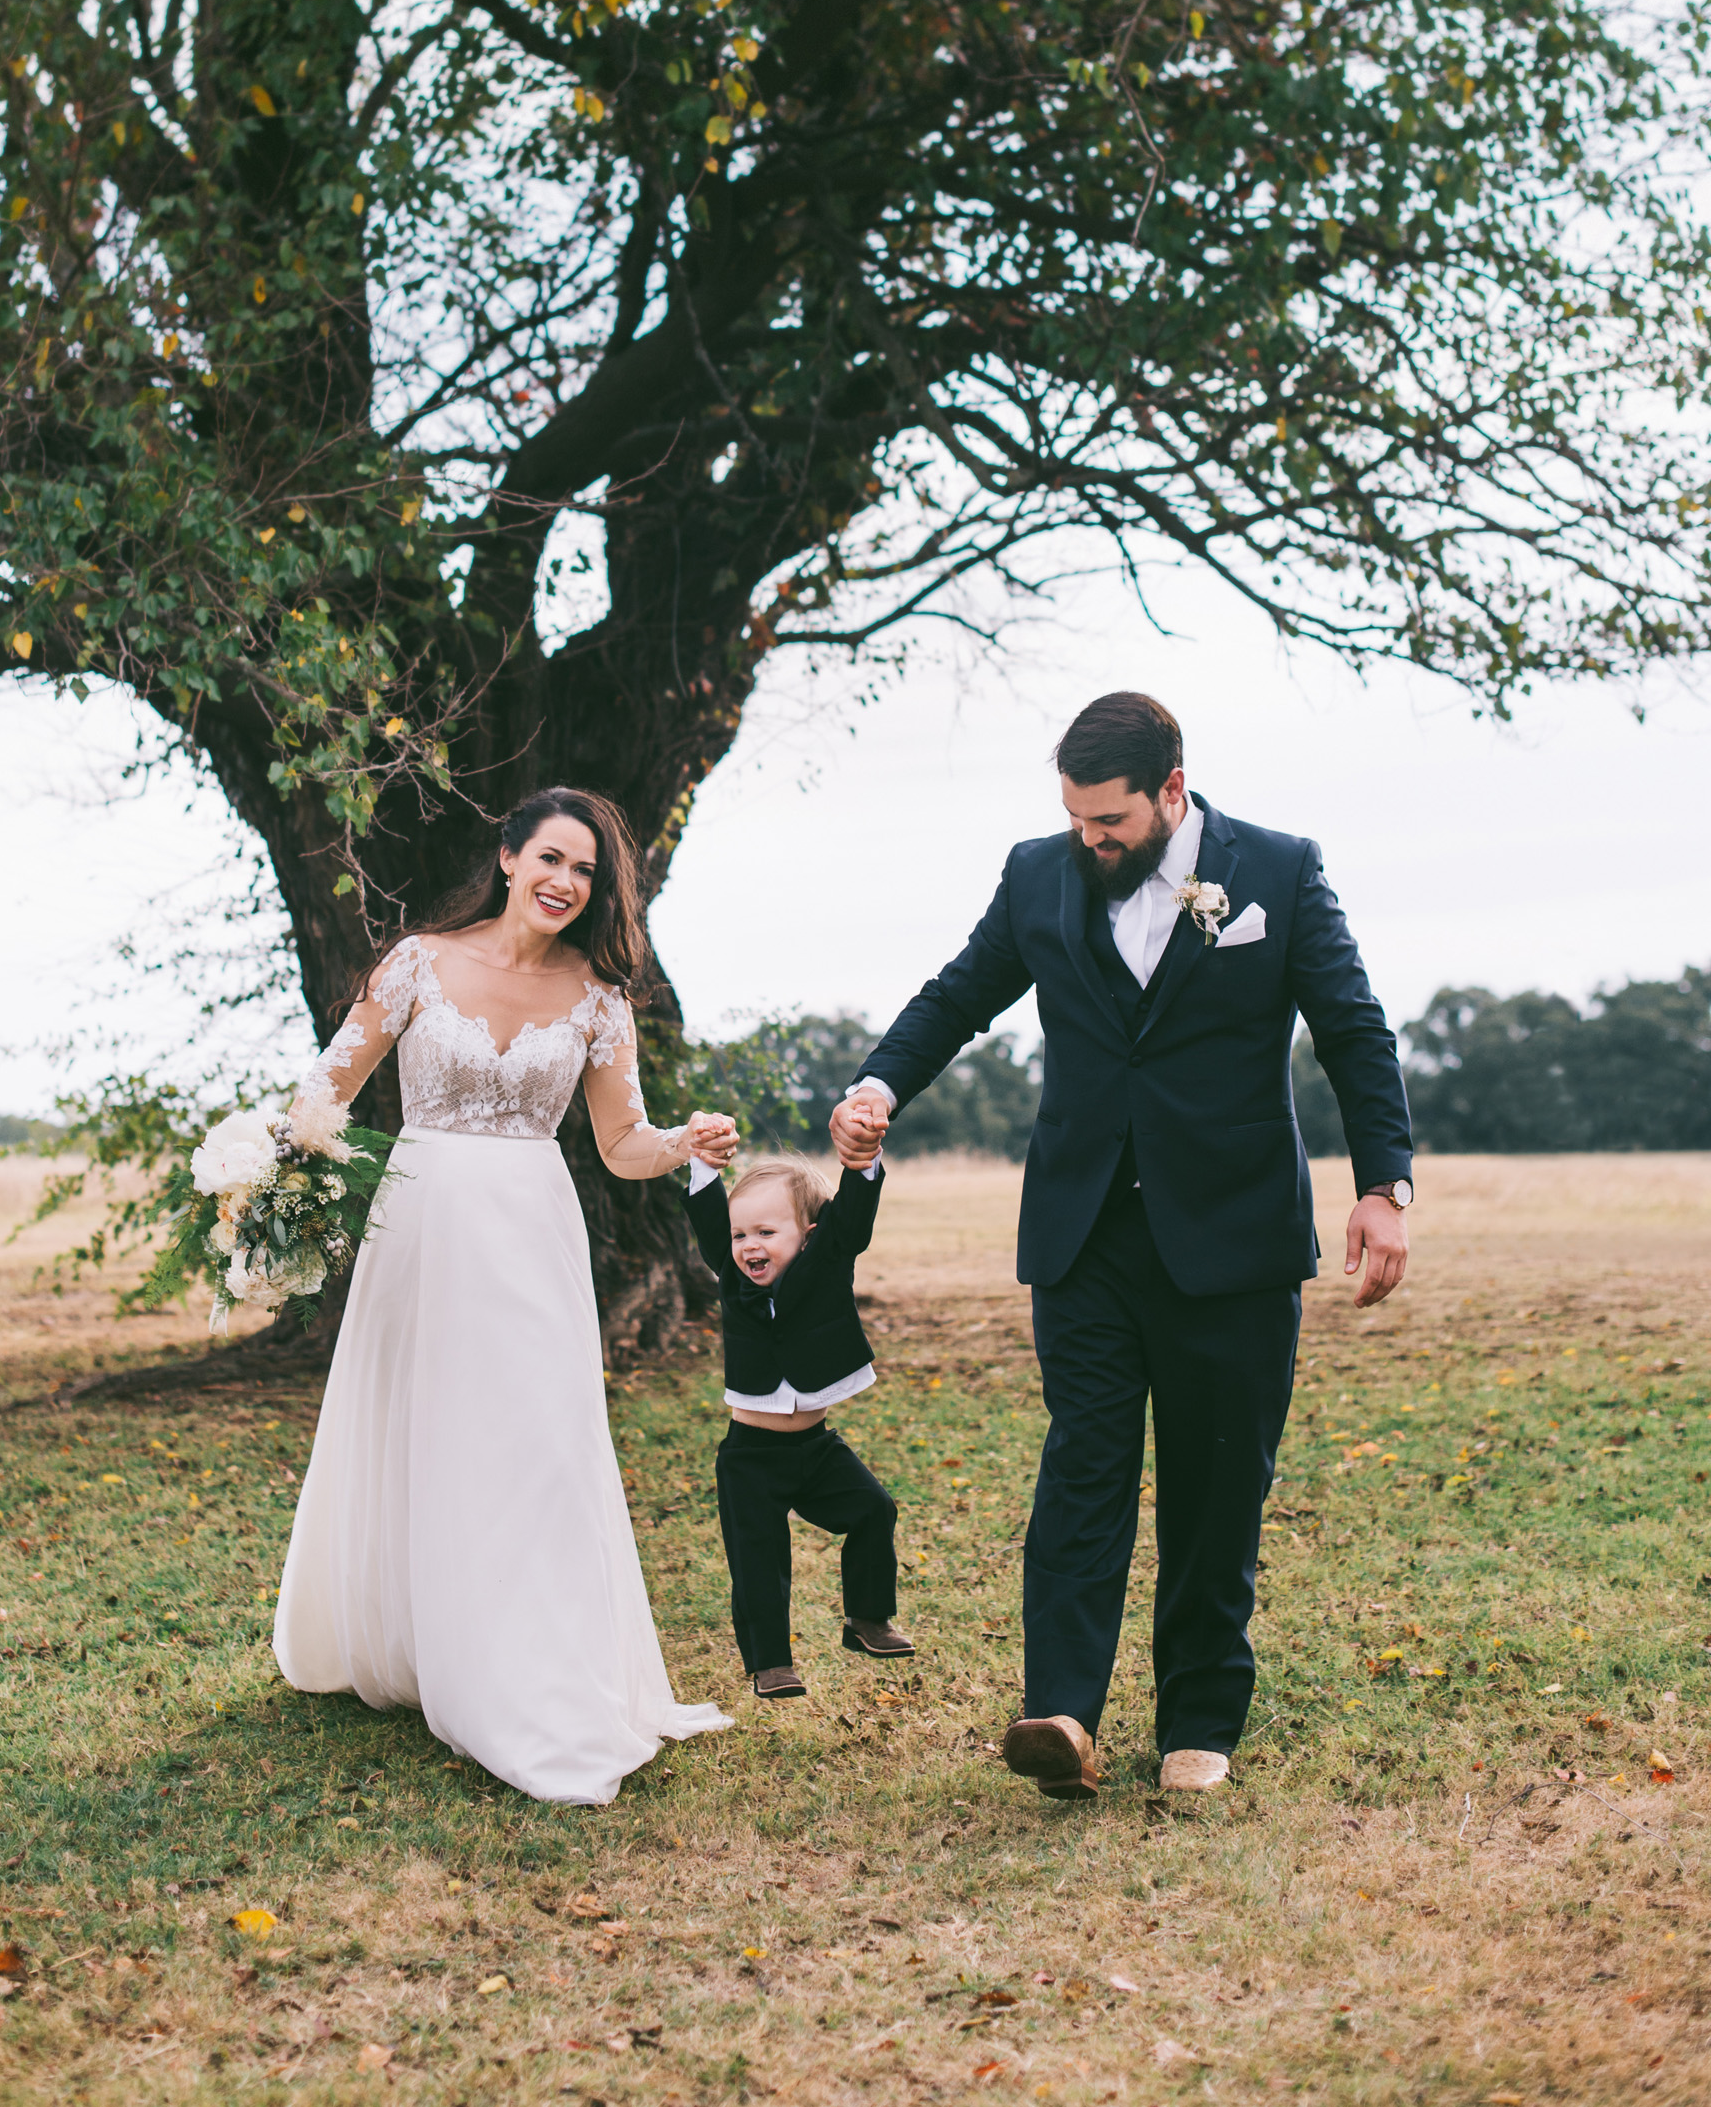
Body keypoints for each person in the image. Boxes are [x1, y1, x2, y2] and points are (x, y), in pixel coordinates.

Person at [831, 690, 1413, 1802]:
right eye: (1075, 817)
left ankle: (1198, 1721)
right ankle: (1059, 1712)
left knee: (1213, 1485)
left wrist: (1380, 1186)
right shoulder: (1037, 873)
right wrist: (877, 1083)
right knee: (1082, 1469)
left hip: (1231, 1238)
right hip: (1082, 1228)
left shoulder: (1279, 872)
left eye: (1109, 821)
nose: (1089, 838)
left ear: (1170, 792)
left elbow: (1350, 1025)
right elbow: (960, 992)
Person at [271, 786, 738, 1805]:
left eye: (587, 872)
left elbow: (620, 1144)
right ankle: (425, 1640)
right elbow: (325, 1095)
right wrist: (266, 1174)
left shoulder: (597, 997)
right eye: (554, 860)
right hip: (422, 1223)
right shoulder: (416, 964)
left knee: (538, 1445)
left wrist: (683, 1144)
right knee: (426, 1429)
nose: (567, 883)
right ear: (509, 855)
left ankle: (536, 1676)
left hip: (530, 1228)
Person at [683, 1153, 913, 1698]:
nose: (748, 1246)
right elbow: (709, 1218)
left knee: (873, 1509)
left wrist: (863, 1162)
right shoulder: (732, 1272)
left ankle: (867, 1618)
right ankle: (770, 1664)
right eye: (741, 1234)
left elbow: (853, 1217)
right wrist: (701, 1162)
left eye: (766, 1231)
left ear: (808, 1236)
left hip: (817, 1449)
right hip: (750, 1458)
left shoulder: (827, 1260)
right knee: (758, 1559)